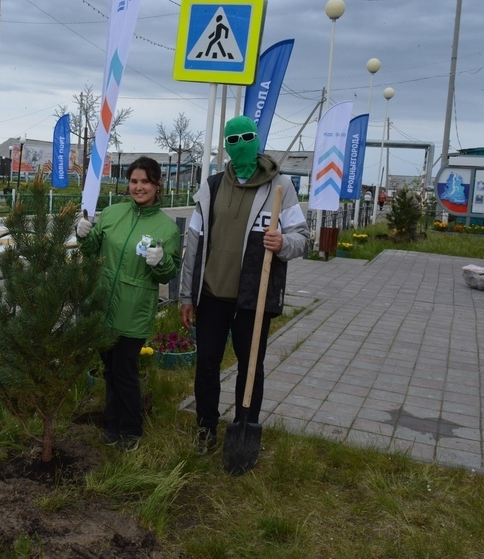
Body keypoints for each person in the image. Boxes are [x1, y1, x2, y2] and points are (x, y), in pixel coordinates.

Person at [180, 116, 310, 455]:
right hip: (211, 295)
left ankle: (243, 425)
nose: (241, 144)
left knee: (251, 365)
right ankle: (206, 427)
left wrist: (282, 243)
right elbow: (194, 242)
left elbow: (302, 238)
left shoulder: (280, 186)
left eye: (248, 137)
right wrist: (186, 295)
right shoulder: (211, 187)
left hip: (254, 296)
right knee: (207, 363)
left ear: (258, 140)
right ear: (225, 145)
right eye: (233, 139)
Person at [77, 156, 181, 452]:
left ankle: (132, 431)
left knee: (125, 371)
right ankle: (112, 425)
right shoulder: (112, 213)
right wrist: (82, 233)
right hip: (102, 303)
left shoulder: (167, 228)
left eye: (145, 182)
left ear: (158, 185)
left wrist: (161, 263)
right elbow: (92, 248)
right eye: (134, 181)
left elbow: (170, 270)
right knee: (108, 369)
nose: (139, 187)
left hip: (134, 310)